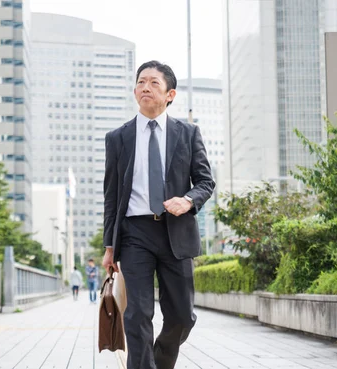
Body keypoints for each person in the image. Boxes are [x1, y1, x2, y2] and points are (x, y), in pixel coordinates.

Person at [101, 60, 215, 369]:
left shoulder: (188, 134)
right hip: (135, 234)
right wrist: (109, 247)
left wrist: (188, 201)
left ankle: (158, 363)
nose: (145, 87)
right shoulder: (118, 138)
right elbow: (111, 197)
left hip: (175, 231)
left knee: (182, 316)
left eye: (153, 82)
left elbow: (206, 182)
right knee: (137, 313)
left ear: (170, 94)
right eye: (141, 82)